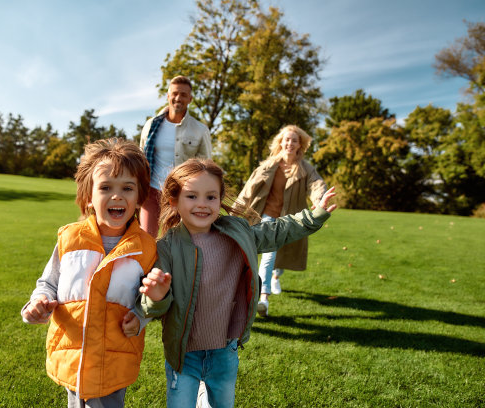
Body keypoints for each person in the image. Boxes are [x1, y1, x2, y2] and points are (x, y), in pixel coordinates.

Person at [136, 158, 337, 407]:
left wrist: (315, 215)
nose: (202, 204)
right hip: (183, 355)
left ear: (220, 200)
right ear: (174, 200)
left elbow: (277, 230)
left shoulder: (238, 233)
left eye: (211, 197)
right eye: (192, 196)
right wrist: (157, 295)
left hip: (225, 351)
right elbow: (153, 307)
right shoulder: (166, 248)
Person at [20, 138, 157, 408]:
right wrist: (38, 302)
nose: (117, 196)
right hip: (72, 355)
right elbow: (48, 283)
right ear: (88, 196)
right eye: (106, 187)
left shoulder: (146, 248)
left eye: (127, 188)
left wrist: (140, 317)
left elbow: (153, 301)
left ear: (139, 197)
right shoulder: (70, 238)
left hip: (114, 359)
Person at [234, 125, 328, 317]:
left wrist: (320, 200)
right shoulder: (267, 166)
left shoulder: (305, 169)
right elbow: (247, 191)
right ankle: (263, 299)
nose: (290, 143)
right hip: (265, 216)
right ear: (280, 142)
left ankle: (277, 275)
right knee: (268, 255)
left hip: (289, 218)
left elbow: (317, 184)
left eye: (294, 140)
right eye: (287, 139)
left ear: (300, 145)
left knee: (280, 257)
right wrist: (234, 212)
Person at [139, 75, 212, 238]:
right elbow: (140, 158)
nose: (178, 98)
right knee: (146, 239)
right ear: (168, 95)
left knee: (174, 242)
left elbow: (206, 167)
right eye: (175, 93)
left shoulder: (200, 130)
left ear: (190, 99)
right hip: (151, 191)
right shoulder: (151, 125)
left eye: (184, 95)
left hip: (180, 194)